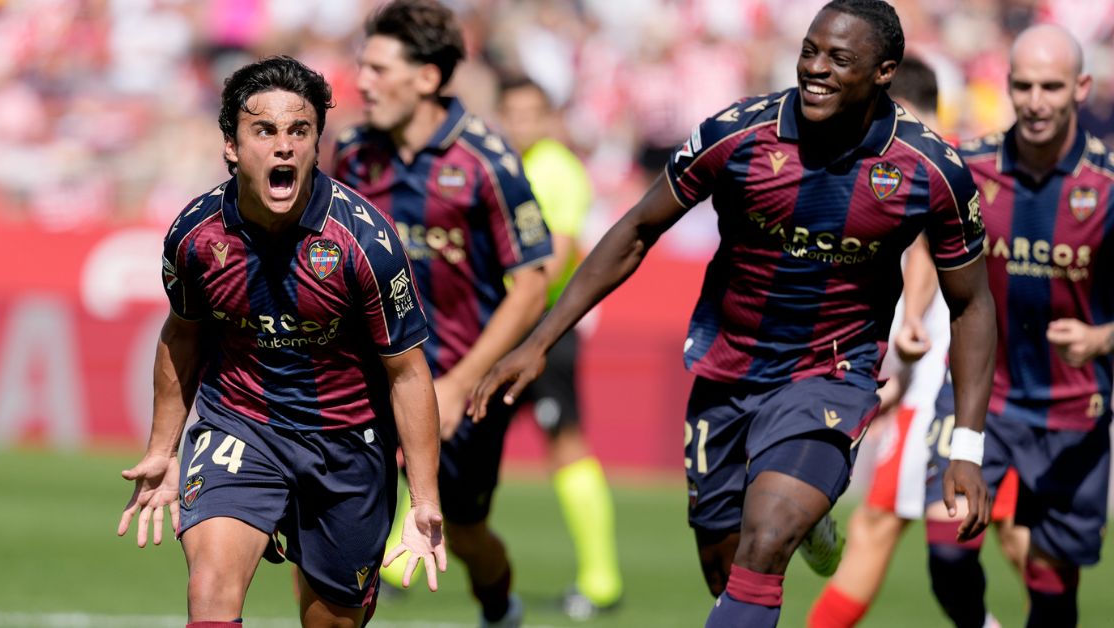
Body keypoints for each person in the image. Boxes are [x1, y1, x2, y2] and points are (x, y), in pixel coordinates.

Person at [471, 1, 997, 626]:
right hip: (728, 371)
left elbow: (971, 303)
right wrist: (538, 340)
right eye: (809, 52)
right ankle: (806, 524)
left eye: (839, 59)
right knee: (726, 570)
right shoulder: (739, 134)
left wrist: (967, 444)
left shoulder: (930, 169)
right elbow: (637, 229)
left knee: (765, 540)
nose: (816, 68)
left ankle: (801, 509)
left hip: (830, 374)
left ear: (884, 72)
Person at [115, 55, 447, 628]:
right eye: (264, 131)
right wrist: (164, 449)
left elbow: (408, 372)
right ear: (231, 145)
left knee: (330, 621)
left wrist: (423, 500)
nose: (284, 147)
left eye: (299, 131)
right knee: (211, 587)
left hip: (346, 442)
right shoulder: (195, 236)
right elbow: (182, 336)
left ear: (317, 144)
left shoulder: (365, 242)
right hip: (241, 423)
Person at [333, 1, 552, 625]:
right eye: (362, 67)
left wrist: (457, 384)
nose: (362, 82)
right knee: (338, 524)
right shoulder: (350, 153)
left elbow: (531, 287)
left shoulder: (486, 159)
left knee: (465, 530)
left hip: (462, 385)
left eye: (378, 69)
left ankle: (499, 608)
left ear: (427, 77)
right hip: (368, 381)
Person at [808, 56, 1027, 628]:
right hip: (968, 375)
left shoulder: (926, 163)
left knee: (883, 525)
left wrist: (911, 322)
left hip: (937, 381)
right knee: (1005, 534)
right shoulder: (966, 163)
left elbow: (931, 250)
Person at [921, 24, 1114, 628]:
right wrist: (912, 317)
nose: (1035, 101)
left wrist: (1102, 339)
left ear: (1080, 87)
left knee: (1051, 590)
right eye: (1023, 86)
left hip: (1074, 409)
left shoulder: (1108, 183)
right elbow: (928, 245)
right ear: (1006, 86)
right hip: (981, 396)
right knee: (947, 551)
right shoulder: (970, 167)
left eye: (1050, 87)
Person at [496, 75, 624, 620]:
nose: (522, 123)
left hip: (544, 329)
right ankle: (396, 561)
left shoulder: (558, 170)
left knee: (565, 445)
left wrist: (502, 305)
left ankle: (601, 579)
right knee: (447, 434)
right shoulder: (498, 165)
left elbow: (556, 259)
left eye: (532, 114)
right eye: (513, 113)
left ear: (547, 118)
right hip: (500, 326)